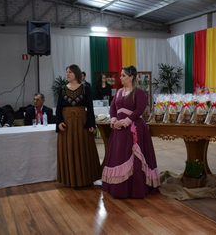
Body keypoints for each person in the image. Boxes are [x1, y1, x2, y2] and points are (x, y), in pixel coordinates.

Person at [101, 65, 160, 198]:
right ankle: (118, 188)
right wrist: (114, 119)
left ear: (131, 77)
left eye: (123, 75)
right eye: (121, 75)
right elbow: (112, 107)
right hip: (119, 129)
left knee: (133, 156)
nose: (120, 78)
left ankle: (135, 189)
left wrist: (126, 121)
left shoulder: (139, 92)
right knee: (119, 155)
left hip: (133, 129)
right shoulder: (118, 92)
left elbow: (140, 109)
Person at [56, 64, 102, 187]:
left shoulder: (85, 88)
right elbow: (59, 108)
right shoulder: (62, 89)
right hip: (67, 122)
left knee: (83, 147)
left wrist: (91, 123)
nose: (67, 74)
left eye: (70, 72)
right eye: (66, 72)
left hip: (82, 121)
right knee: (69, 148)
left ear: (76, 73)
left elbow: (90, 107)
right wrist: (59, 122)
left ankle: (86, 178)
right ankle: (70, 178)